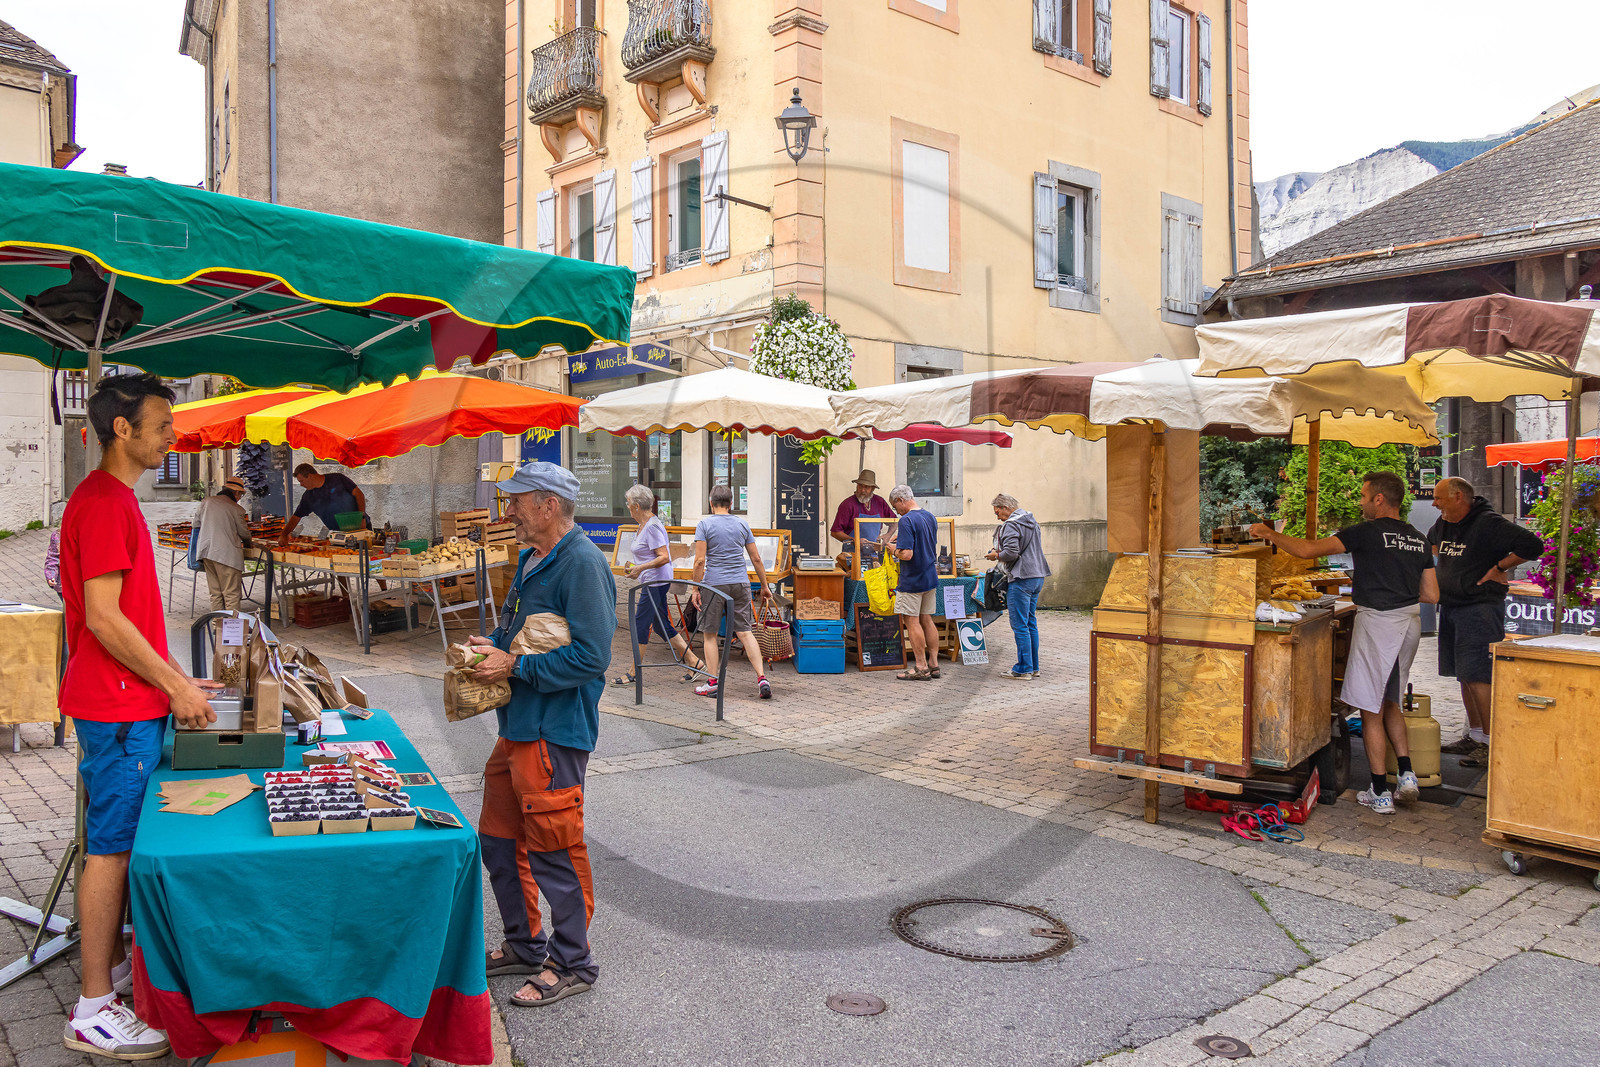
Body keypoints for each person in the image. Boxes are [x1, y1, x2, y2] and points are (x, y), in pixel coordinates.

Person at [58, 373, 218, 1059]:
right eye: (161, 423)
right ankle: (95, 1004)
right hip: (118, 707)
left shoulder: (116, 500)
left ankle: (114, 968)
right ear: (121, 428)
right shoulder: (101, 503)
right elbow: (101, 618)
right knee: (110, 849)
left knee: (119, 843)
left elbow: (130, 619)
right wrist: (173, 688)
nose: (171, 435)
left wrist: (179, 678)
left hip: (130, 701)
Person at [466, 461, 615, 1008]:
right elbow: (519, 636)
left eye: (517, 502)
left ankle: (572, 960)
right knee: (499, 841)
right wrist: (494, 645)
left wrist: (515, 668)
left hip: (555, 731)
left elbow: (592, 658)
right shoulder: (533, 557)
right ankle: (525, 944)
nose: (509, 512)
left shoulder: (581, 562)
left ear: (549, 505)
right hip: (519, 727)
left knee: (555, 848)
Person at [1251, 471, 1438, 816]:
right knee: (1392, 701)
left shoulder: (1366, 532)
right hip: (1408, 624)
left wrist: (1268, 533)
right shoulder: (1418, 538)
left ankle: (1380, 791)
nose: (1362, 502)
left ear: (1379, 499)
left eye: (1365, 496)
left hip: (1378, 623)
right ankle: (1407, 774)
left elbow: (1309, 549)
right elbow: (1431, 594)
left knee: (1370, 709)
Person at [1428, 476, 1543, 767]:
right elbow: (1431, 546)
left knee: (1479, 675)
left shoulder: (1488, 522)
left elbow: (1533, 545)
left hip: (1479, 607)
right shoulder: (1445, 523)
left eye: (1439, 497)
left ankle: (1492, 742)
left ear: (1458, 497)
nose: (1434, 503)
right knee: (1464, 674)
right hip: (1453, 606)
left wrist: (1499, 567)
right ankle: (1476, 736)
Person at [690, 485, 775, 699]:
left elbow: (700, 560)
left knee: (709, 634)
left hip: (714, 584)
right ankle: (761, 677)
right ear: (731, 504)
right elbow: (756, 558)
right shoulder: (741, 524)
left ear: (711, 503)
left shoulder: (704, 524)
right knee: (745, 632)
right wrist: (764, 586)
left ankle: (712, 682)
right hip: (740, 583)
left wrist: (695, 587)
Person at [615, 483, 705, 685]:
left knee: (640, 623)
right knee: (660, 625)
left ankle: (633, 672)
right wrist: (637, 567)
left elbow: (664, 556)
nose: (627, 506)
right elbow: (649, 554)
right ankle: (695, 662)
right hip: (652, 580)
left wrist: (640, 568)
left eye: (629, 503)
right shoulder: (644, 525)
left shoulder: (653, 526)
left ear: (637, 506)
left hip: (656, 582)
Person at [986, 493, 1052, 680]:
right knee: (1030, 622)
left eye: (997, 512)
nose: (997, 516)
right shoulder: (1031, 521)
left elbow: (1012, 553)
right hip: (1038, 575)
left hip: (1022, 577)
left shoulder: (1011, 525)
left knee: (1020, 625)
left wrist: (995, 555)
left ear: (1006, 508)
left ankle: (1023, 669)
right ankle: (1033, 666)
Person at [890, 484, 942, 681]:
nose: (897, 511)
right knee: (927, 619)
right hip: (929, 575)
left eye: (896, 507)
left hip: (912, 579)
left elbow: (907, 554)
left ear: (900, 500)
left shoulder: (906, 520)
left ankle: (920, 666)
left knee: (911, 621)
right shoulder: (929, 516)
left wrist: (892, 549)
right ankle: (934, 664)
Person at [192, 476, 254, 611]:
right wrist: (249, 543)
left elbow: (196, 524)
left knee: (215, 593)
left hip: (207, 552)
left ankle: (217, 626)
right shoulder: (236, 509)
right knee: (231, 593)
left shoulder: (206, 501)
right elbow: (244, 533)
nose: (240, 498)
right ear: (236, 493)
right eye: (241, 495)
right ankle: (231, 629)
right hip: (227, 555)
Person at [277, 463, 366, 544]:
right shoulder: (308, 497)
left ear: (310, 476)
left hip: (359, 529)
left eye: (302, 481)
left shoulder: (337, 478)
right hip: (338, 536)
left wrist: (362, 517)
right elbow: (296, 517)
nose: (301, 485)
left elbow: (359, 494)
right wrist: (284, 534)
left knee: (366, 558)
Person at [830, 469, 896, 549]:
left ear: (873, 489)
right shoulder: (847, 504)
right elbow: (835, 532)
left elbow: (894, 522)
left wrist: (888, 535)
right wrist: (855, 540)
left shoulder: (880, 502)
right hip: (852, 553)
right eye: (860, 485)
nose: (862, 490)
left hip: (874, 552)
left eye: (866, 487)